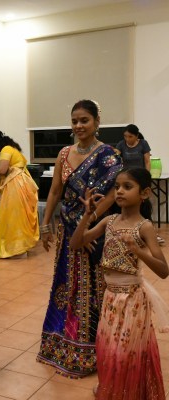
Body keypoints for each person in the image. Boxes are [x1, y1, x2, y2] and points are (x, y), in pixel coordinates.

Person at [36, 100, 123, 378]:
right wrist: (46, 225)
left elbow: (113, 195)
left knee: (93, 288)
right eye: (74, 121)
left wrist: (86, 224)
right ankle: (61, 339)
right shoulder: (64, 153)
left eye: (84, 120)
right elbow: (55, 192)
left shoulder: (109, 155)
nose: (78, 126)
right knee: (65, 285)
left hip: (93, 231)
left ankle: (91, 347)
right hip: (67, 232)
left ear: (97, 122)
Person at [70, 168, 169, 399]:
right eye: (117, 187)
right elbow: (76, 243)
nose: (120, 191)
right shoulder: (109, 221)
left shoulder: (144, 227)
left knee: (127, 352)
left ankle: (131, 393)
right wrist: (87, 215)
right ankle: (114, 390)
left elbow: (164, 270)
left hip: (133, 300)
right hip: (110, 298)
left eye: (127, 186)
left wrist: (138, 250)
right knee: (108, 349)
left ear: (144, 193)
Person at [0, 130, 39, 259]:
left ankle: (14, 249)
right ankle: (21, 247)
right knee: (20, 215)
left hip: (15, 183)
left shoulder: (6, 149)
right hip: (22, 182)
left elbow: (2, 170)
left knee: (11, 215)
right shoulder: (13, 148)